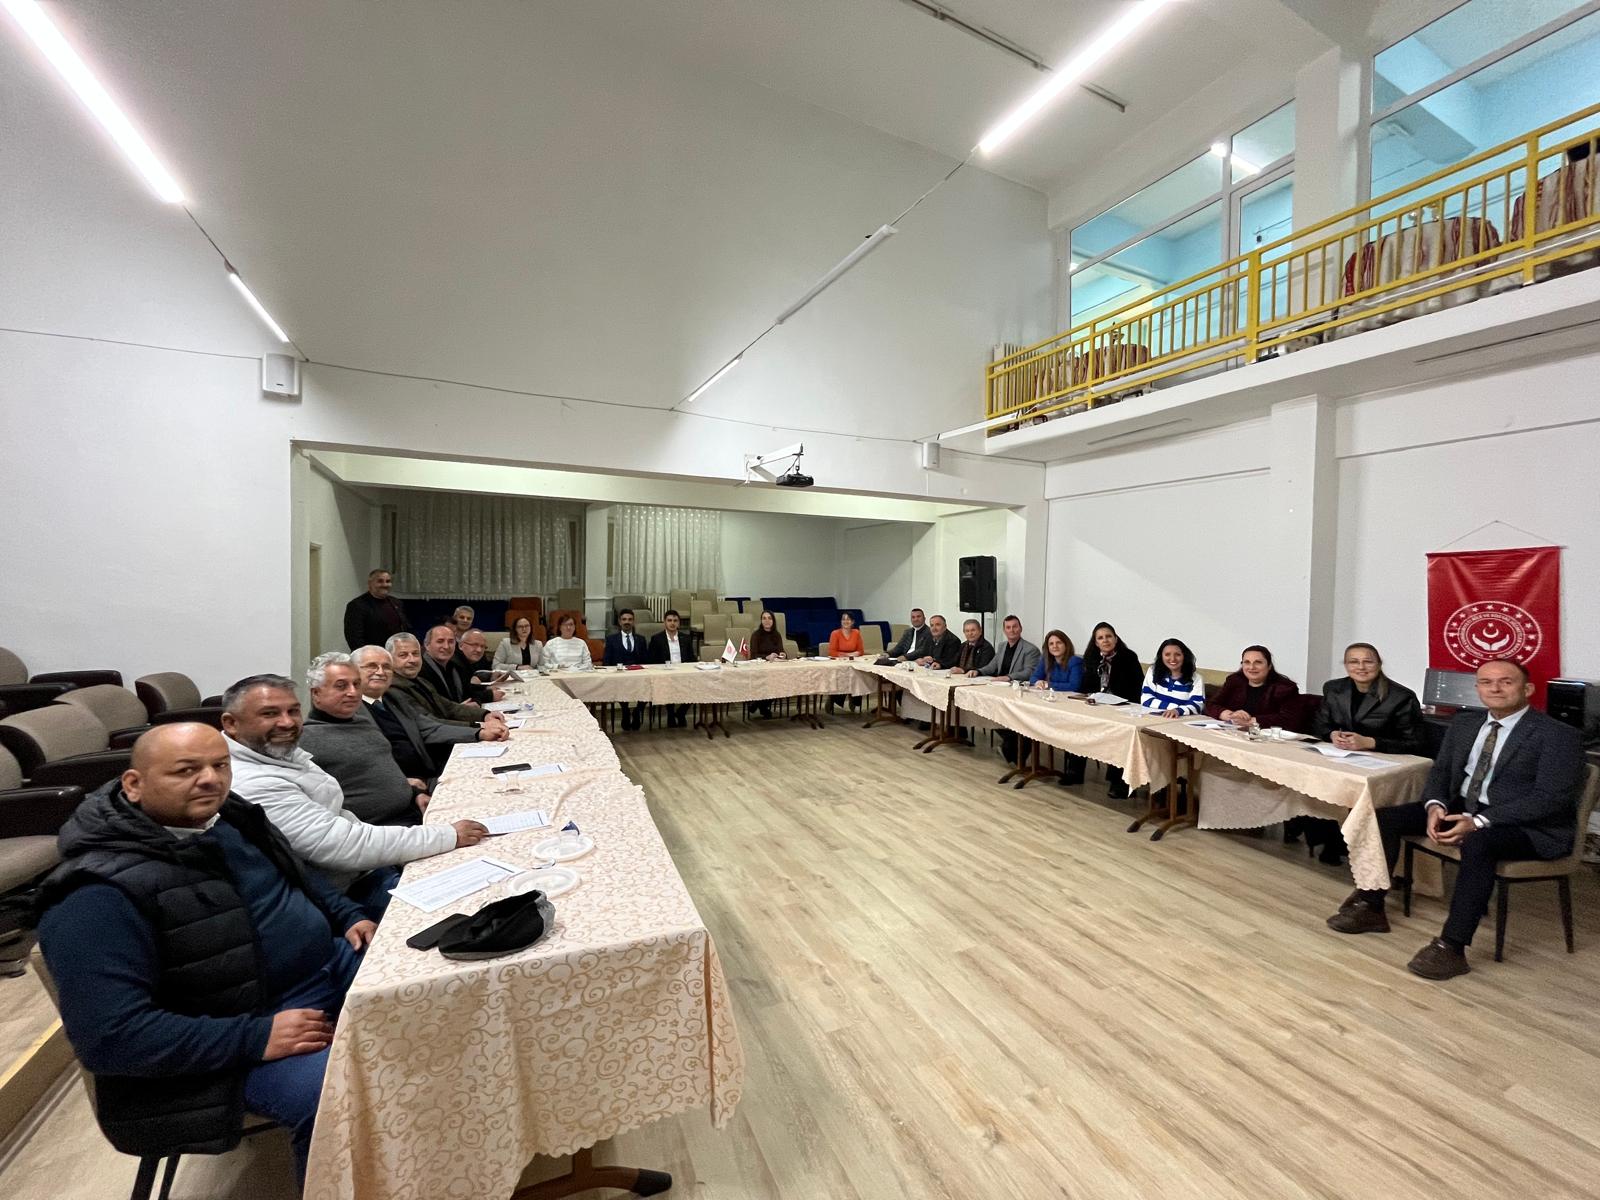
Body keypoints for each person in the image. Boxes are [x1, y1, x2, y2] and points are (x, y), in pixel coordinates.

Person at [36, 724, 377, 1187]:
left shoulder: (228, 816)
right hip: (232, 1042)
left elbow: (297, 877)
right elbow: (111, 1037)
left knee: (427, 992)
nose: (211, 779)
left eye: (220, 765)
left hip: (325, 968)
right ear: (134, 784)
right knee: (343, 1092)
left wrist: (347, 914)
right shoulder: (95, 894)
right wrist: (254, 1036)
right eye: (186, 770)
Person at [1326, 659, 1585, 980]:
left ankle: (1452, 946)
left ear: (1527, 689)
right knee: (1384, 819)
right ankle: (1371, 905)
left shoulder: (1558, 735)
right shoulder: (1465, 724)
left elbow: (1550, 799)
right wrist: (1434, 805)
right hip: (1465, 807)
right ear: (1477, 689)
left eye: (1506, 682)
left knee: (1479, 843)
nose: (1495, 689)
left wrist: (1479, 822)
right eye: (1486, 682)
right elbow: (1441, 772)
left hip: (1530, 826)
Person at [224, 671, 487, 917]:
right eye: (270, 713)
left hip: (369, 865)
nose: (287, 722)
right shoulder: (252, 780)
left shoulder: (283, 753)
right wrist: (446, 835)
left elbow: (342, 816)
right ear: (231, 723)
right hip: (346, 895)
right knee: (476, 907)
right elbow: (341, 844)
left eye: (293, 711)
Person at [309, 649, 501, 805]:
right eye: (372, 666)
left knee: (492, 784)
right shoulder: (346, 713)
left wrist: (479, 732)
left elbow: (430, 727)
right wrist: (407, 784)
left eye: (386, 666)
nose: (380, 672)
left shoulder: (394, 697)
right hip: (409, 788)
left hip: (424, 777)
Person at [1311, 642, 1424, 754]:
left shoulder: (1402, 697)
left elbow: (1415, 743)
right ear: (1346, 665)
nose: (1361, 667)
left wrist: (1369, 743)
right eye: (1354, 662)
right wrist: (1332, 734)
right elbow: (1320, 726)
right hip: (1340, 753)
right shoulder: (1333, 688)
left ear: (1379, 664)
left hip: (1383, 757)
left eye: (1368, 662)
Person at [1079, 622, 1142, 797]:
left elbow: (1136, 687)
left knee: (1119, 735)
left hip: (1123, 707)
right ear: (1096, 642)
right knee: (1078, 724)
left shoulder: (1128, 657)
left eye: (1108, 636)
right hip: (1098, 706)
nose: (1105, 640)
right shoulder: (1091, 658)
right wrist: (1092, 696)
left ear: (1115, 638)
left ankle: (1120, 783)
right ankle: (1074, 772)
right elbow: (1085, 686)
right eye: (1100, 638)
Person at [386, 632, 498, 727]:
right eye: (403, 655)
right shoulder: (392, 689)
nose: (412, 660)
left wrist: (485, 714)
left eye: (415, 654)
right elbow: (430, 724)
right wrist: (479, 727)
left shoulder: (421, 681)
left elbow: (449, 707)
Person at [974, 615, 1041, 764]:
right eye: (1008, 627)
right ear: (1004, 630)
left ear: (1020, 628)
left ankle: (1013, 751)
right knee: (985, 710)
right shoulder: (1002, 646)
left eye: (1015, 627)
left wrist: (1009, 677)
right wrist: (978, 671)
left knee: (1010, 718)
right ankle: (1012, 748)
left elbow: (1030, 672)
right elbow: (992, 666)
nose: (1012, 630)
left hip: (1018, 691)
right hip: (1000, 689)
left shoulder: (1031, 649)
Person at [1030, 631, 1085, 786]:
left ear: (1066, 644)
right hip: (1054, 704)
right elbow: (1033, 677)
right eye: (1051, 644)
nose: (1055, 646)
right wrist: (1038, 682)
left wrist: (1048, 684)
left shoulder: (1075, 661)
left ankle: (1074, 771)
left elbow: (1074, 686)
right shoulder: (1046, 660)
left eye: (1058, 643)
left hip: (1073, 707)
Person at [1205, 645, 1301, 730]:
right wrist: (1230, 715)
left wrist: (1251, 721)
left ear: (1269, 666)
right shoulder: (1234, 681)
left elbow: (1290, 719)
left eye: (1258, 662)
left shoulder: (1285, 688)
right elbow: (1211, 704)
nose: (1251, 667)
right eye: (1247, 662)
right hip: (1235, 732)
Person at [602, 609, 649, 730]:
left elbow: (646, 660)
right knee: (620, 684)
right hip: (619, 675)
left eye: (630, 619)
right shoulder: (611, 639)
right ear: (619, 622)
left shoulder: (641, 639)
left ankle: (638, 711)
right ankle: (625, 711)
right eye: (624, 619)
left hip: (638, 675)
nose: (627, 622)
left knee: (649, 684)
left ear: (633, 622)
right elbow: (606, 661)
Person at [1140, 639, 1207, 717]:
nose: (1172, 659)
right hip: (1154, 718)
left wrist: (1177, 711)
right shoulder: (1153, 671)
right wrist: (1175, 708)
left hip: (1181, 720)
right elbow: (1146, 699)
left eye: (1177, 655)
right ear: (1161, 656)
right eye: (1167, 654)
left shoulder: (1197, 678)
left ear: (1184, 656)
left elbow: (1197, 705)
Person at [648, 611, 693, 727]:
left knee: (697, 685)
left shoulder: (686, 638)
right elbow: (651, 660)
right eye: (669, 620)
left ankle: (681, 712)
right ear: (664, 622)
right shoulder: (657, 639)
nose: (672, 623)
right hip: (665, 674)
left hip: (684, 673)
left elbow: (691, 658)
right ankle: (671, 714)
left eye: (675, 621)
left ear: (679, 623)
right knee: (668, 683)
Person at [827, 612, 865, 713]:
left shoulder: (856, 633)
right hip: (839, 662)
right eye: (843, 619)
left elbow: (861, 651)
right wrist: (848, 655)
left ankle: (854, 698)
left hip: (853, 662)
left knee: (858, 674)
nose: (845, 621)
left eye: (848, 619)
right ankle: (834, 699)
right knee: (842, 674)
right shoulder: (835, 633)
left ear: (853, 622)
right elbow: (832, 652)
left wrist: (853, 654)